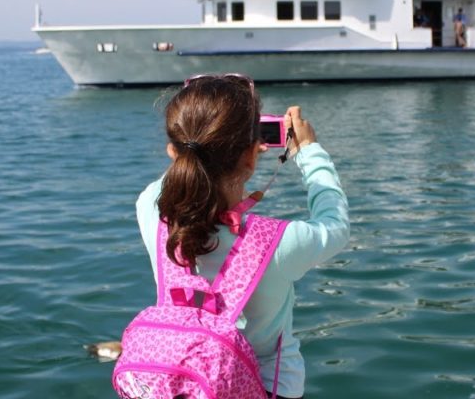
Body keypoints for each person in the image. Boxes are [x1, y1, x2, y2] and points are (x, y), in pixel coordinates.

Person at [135, 74, 349, 399]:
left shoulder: (152, 213)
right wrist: (309, 150)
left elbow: (178, 170)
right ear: (251, 156)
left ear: (172, 151)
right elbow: (335, 225)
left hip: (180, 383)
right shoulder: (279, 243)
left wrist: (202, 121)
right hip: (266, 389)